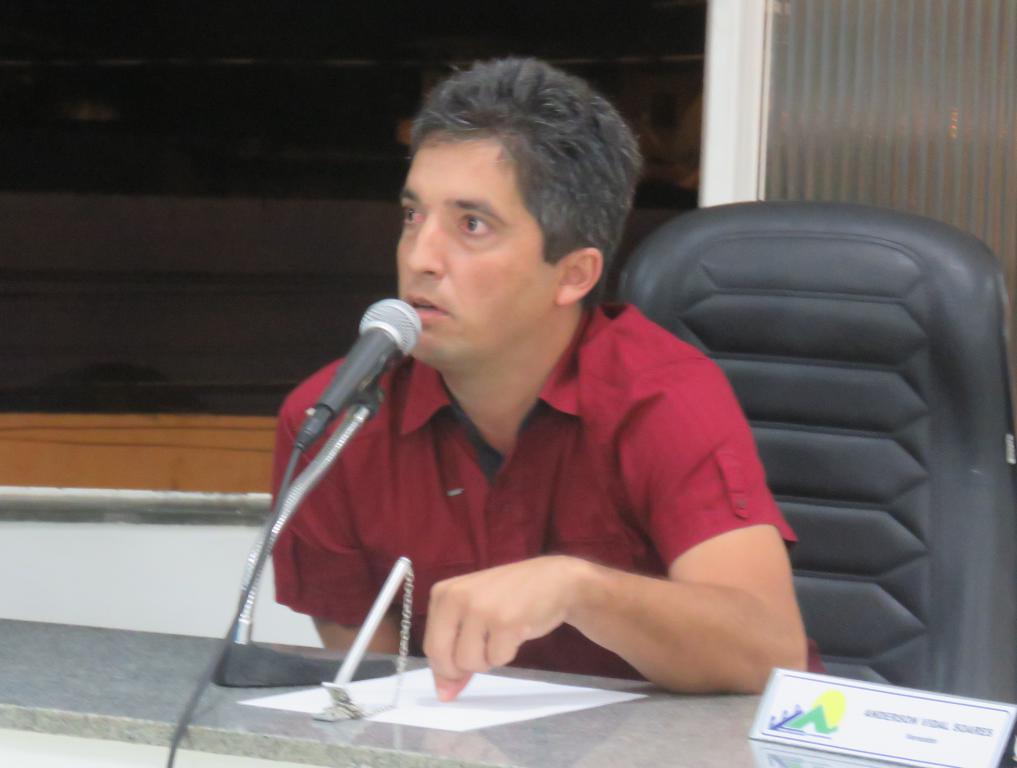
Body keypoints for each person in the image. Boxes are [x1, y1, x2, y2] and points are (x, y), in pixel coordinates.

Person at [272, 57, 808, 701]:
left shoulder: (663, 397)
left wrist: (581, 590)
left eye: (471, 225)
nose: (420, 257)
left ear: (574, 275)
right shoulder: (333, 421)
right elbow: (371, 692)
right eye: (413, 216)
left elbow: (770, 655)